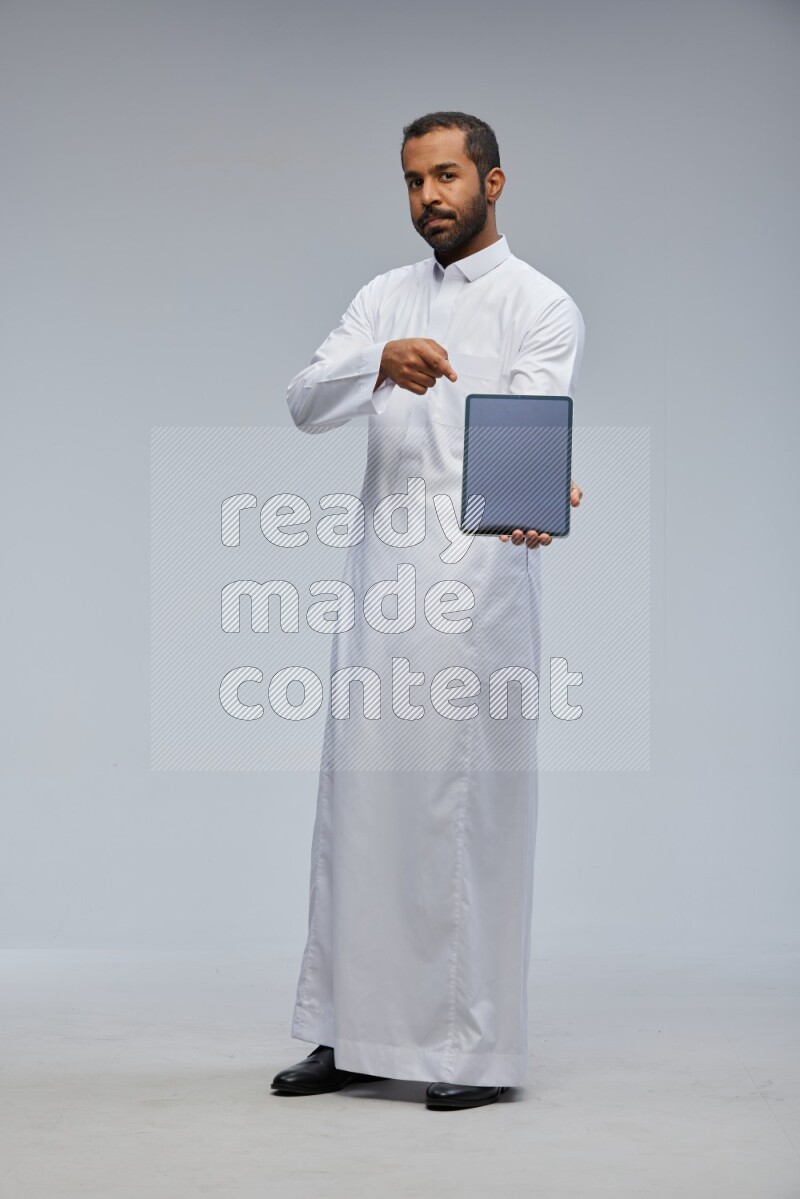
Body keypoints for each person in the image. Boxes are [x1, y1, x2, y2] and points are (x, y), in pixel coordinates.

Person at [272, 111, 585, 1111]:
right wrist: (376, 365)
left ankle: (470, 1050)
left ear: (493, 183)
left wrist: (542, 493)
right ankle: (345, 1031)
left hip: (480, 595)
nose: (427, 200)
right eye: (412, 182)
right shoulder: (383, 298)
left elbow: (528, 431)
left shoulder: (541, 305)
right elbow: (303, 399)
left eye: (446, 177)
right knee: (358, 809)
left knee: (465, 817)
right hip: (381, 591)